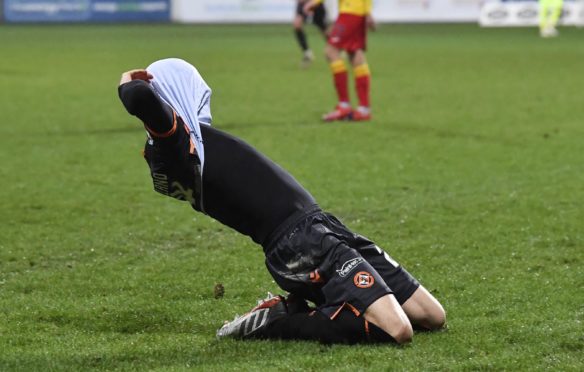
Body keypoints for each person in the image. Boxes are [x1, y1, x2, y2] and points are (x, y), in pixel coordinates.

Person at [118, 58, 446, 344]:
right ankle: (279, 319)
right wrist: (130, 80)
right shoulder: (174, 146)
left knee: (431, 316)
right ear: (170, 91)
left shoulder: (184, 147)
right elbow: (138, 97)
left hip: (321, 226)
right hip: (300, 245)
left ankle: (324, 306)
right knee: (396, 330)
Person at [304, 0, 375, 122]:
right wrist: (367, 12)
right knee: (354, 54)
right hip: (357, 11)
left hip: (351, 11)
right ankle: (364, 109)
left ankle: (344, 106)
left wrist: (314, 2)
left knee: (330, 51)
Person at [293, 0, 328, 67]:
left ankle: (336, 46)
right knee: (297, 24)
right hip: (303, 4)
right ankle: (307, 53)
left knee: (323, 29)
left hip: (315, 3)